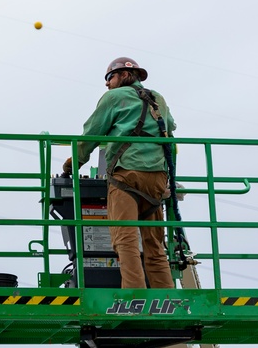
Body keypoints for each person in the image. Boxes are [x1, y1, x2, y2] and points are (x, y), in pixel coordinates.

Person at [62, 57, 176, 289]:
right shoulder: (158, 99)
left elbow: (92, 133)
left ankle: (134, 296)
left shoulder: (113, 98)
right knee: (155, 245)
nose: (107, 83)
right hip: (157, 177)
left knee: (125, 239)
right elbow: (170, 130)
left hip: (127, 175)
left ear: (124, 75)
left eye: (109, 77)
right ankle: (167, 297)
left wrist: (72, 165)